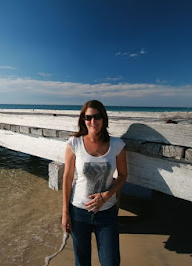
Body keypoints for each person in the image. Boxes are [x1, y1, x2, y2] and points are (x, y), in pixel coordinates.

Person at [61, 100, 127, 266]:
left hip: (106, 213)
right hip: (78, 212)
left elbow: (123, 175)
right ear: (83, 119)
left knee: (111, 262)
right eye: (88, 117)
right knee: (82, 262)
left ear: (103, 118)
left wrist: (105, 196)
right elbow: (67, 178)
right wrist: (65, 212)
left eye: (97, 117)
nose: (92, 121)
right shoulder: (74, 143)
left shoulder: (117, 145)